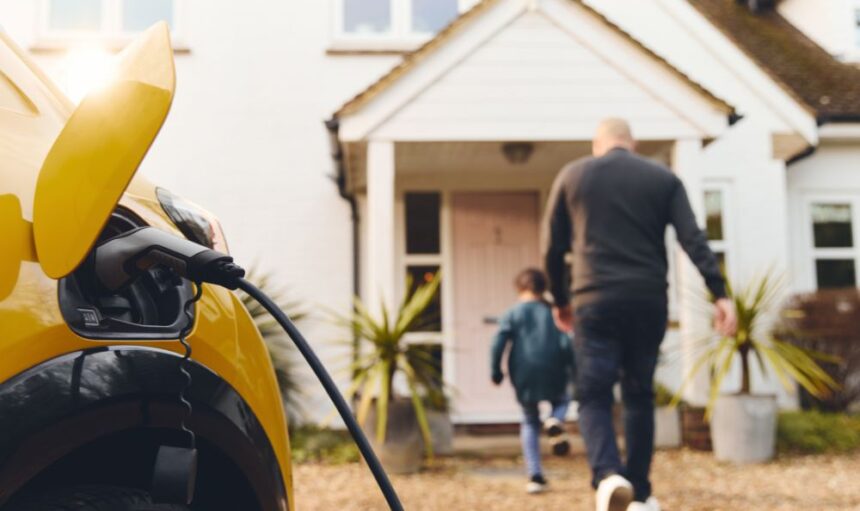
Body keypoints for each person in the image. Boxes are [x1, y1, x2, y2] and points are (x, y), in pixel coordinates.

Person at [542, 118, 737, 511]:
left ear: (598, 144)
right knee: (638, 393)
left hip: (593, 300)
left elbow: (551, 246)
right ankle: (640, 491)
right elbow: (692, 238)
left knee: (594, 393)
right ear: (632, 143)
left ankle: (608, 476)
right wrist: (720, 293)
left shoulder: (573, 175)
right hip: (647, 300)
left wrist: (560, 300)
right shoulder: (662, 178)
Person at [490, 268, 576, 495]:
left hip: (524, 372)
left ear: (520, 288)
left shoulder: (512, 313)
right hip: (554, 368)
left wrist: (495, 371)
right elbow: (567, 342)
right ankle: (555, 419)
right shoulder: (553, 312)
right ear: (542, 288)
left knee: (529, 420)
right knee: (563, 399)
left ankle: (535, 476)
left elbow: (498, 343)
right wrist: (573, 368)